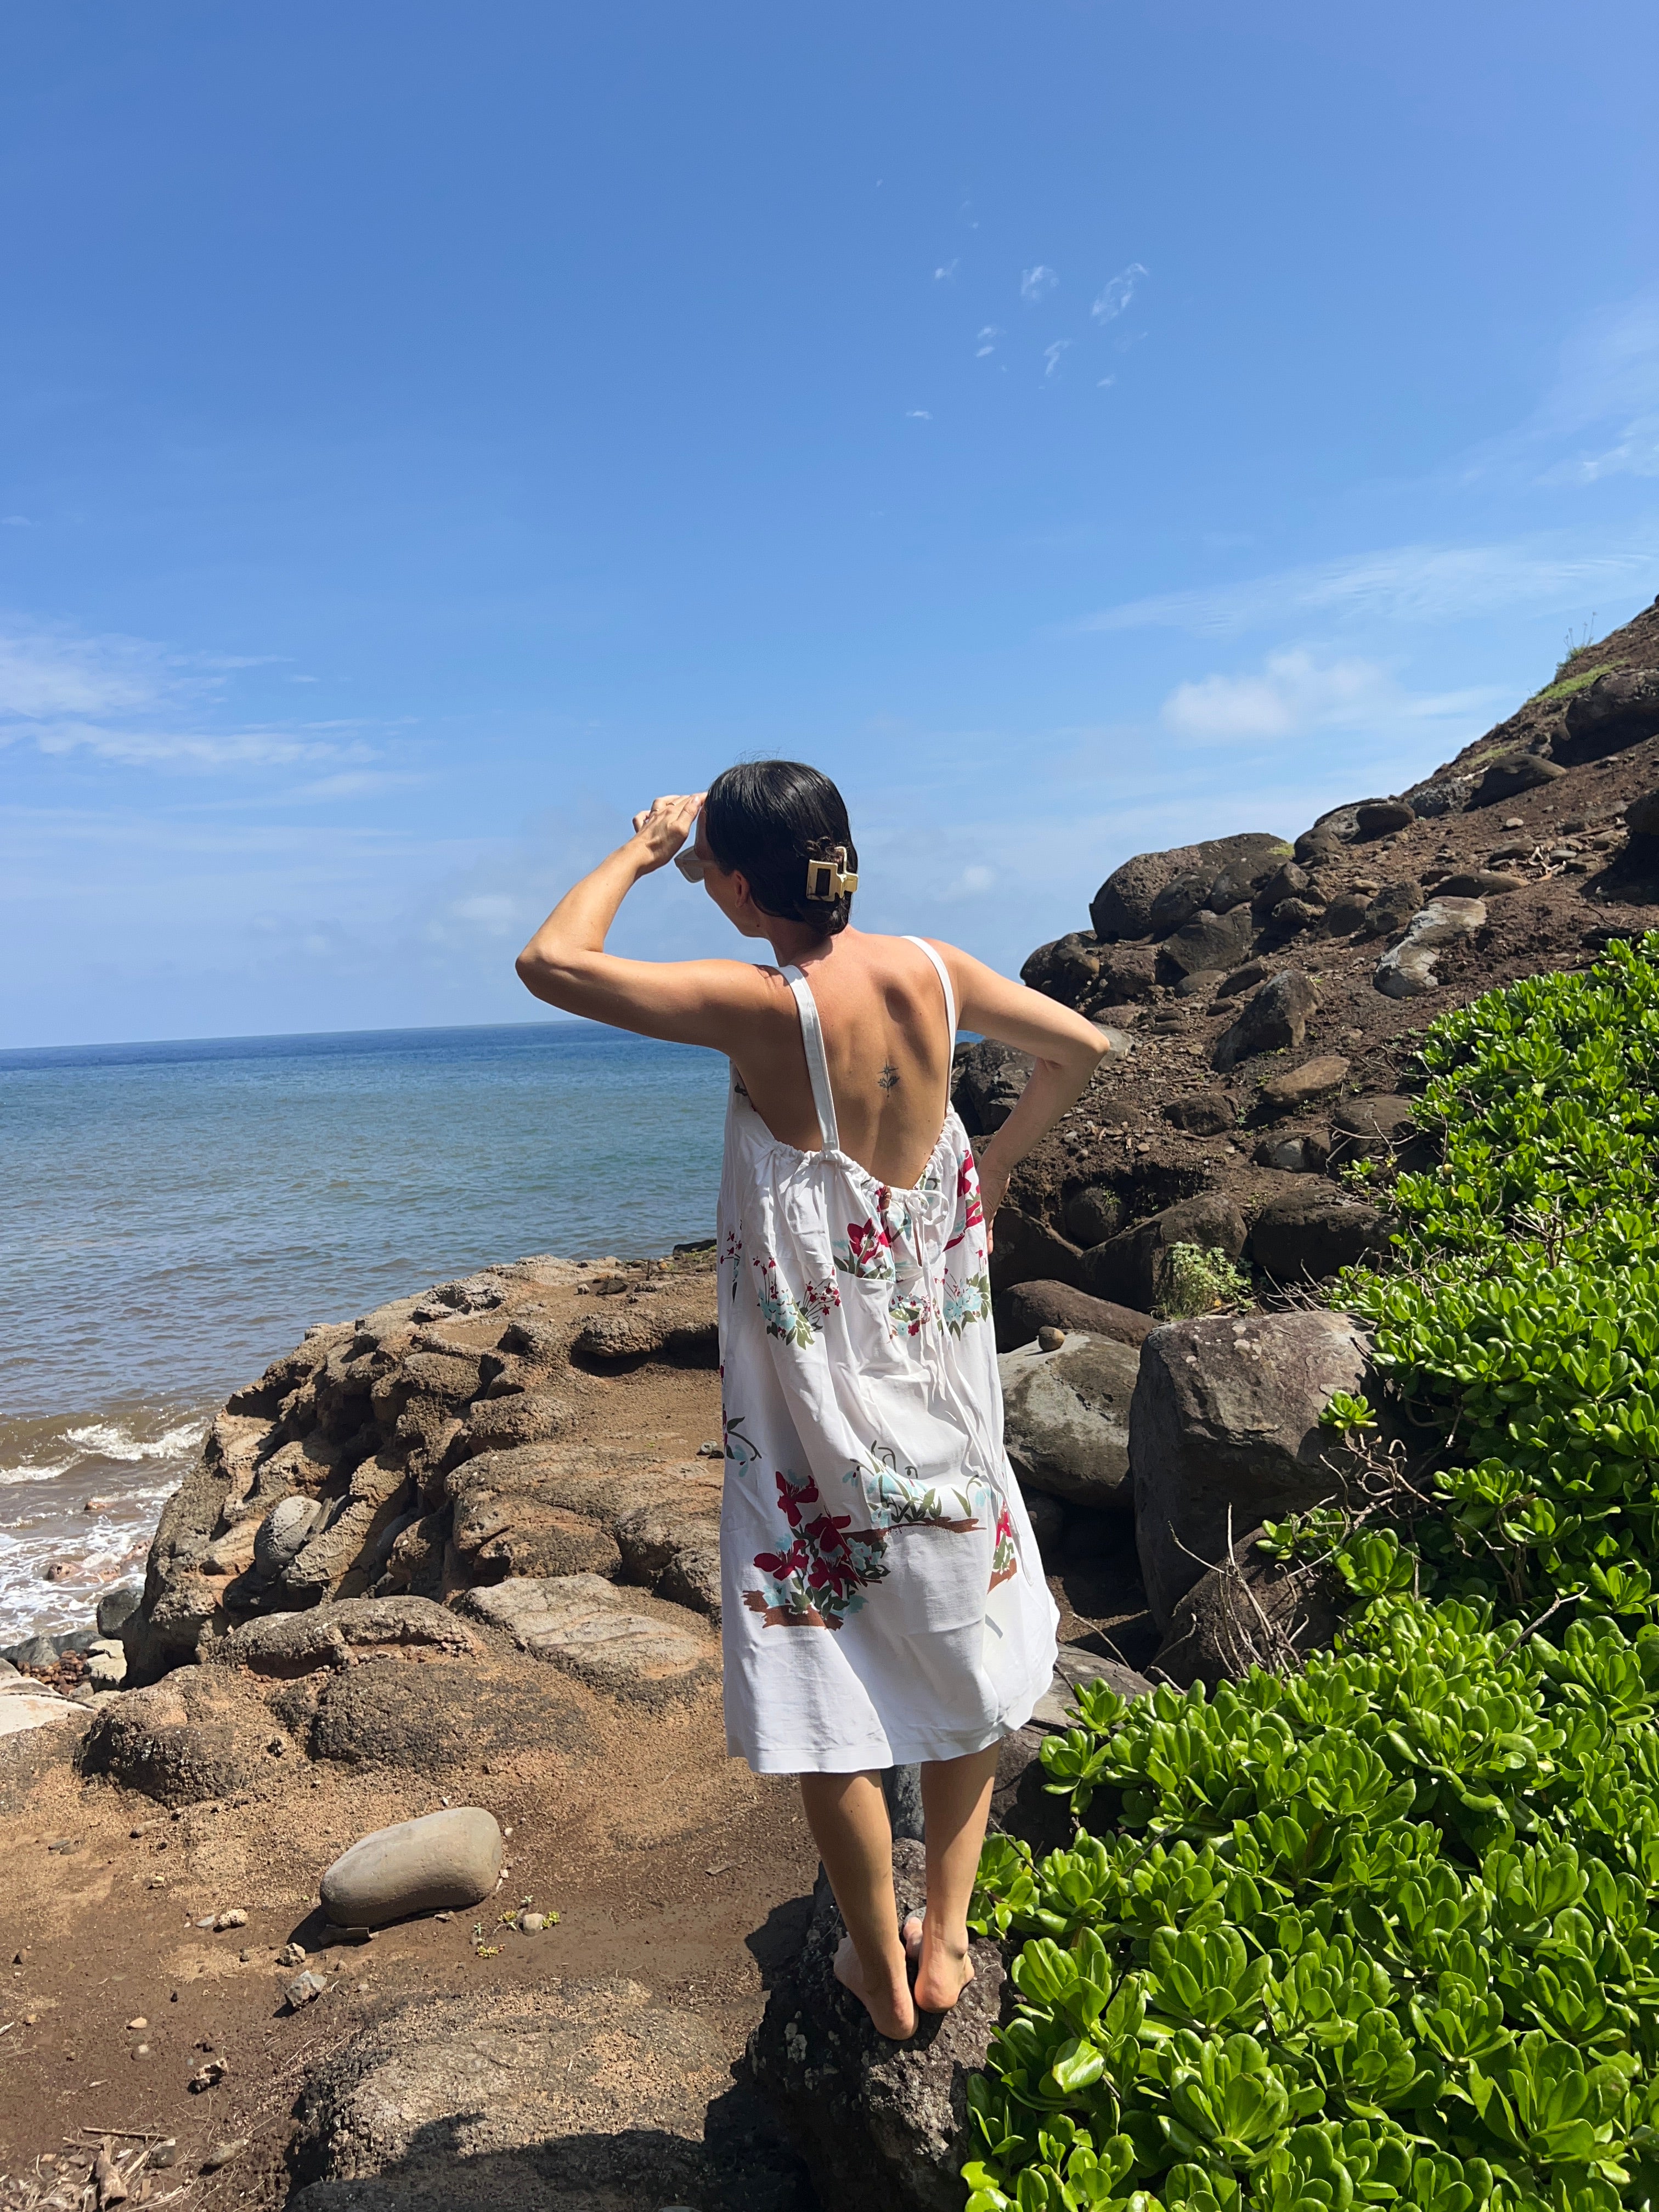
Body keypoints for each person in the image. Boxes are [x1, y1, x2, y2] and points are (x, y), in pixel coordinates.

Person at [516, 761, 1115, 2040]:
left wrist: (642, 851)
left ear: (740, 887)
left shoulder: (762, 1008)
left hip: (816, 1406)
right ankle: (945, 1943)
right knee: (962, 1634)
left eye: (713, 877)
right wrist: (995, 1166)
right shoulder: (939, 971)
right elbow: (1082, 1049)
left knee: (825, 1666)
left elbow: (551, 963)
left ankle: (875, 1968)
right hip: (939, 1368)